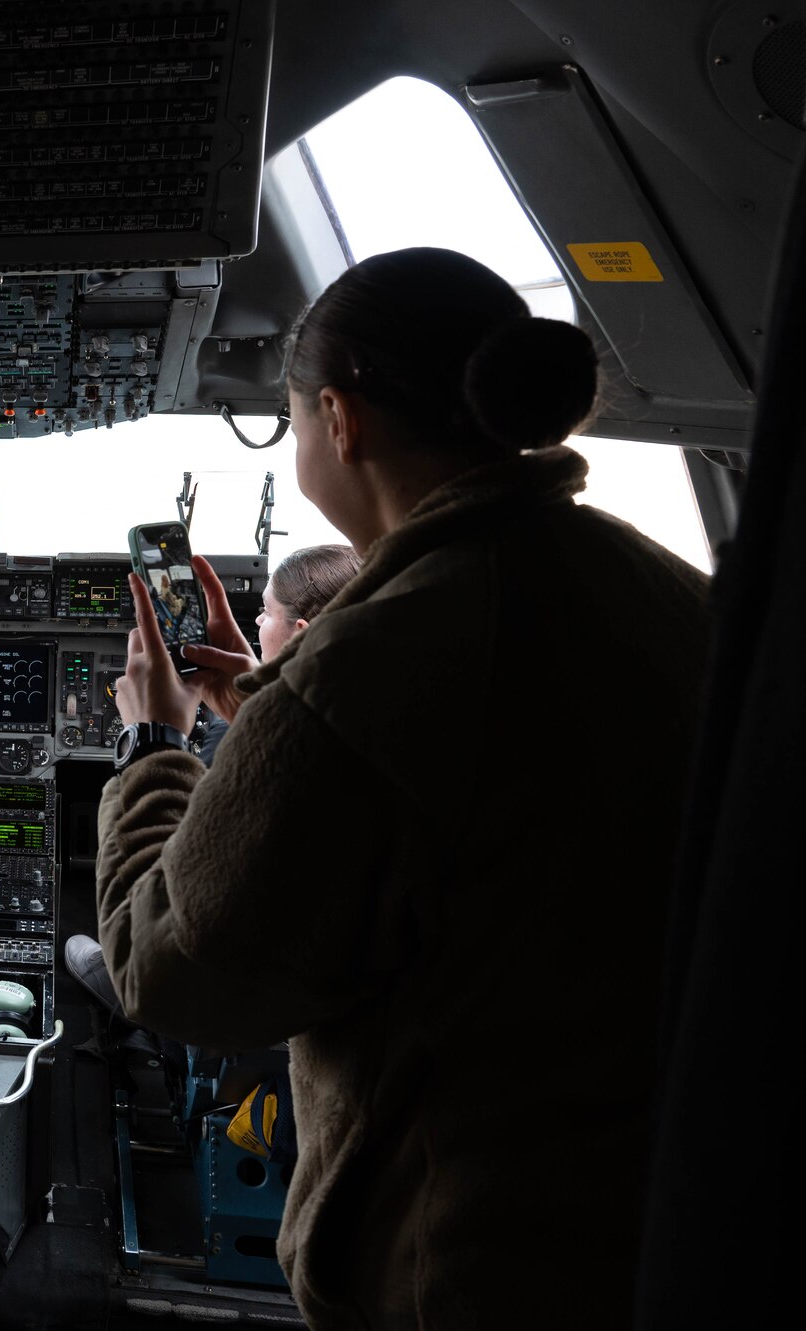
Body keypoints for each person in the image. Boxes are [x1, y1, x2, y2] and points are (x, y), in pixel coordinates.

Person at [95, 247, 709, 1329]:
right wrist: (268, 705)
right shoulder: (671, 593)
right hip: (668, 1218)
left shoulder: (361, 671)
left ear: (339, 419)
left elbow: (168, 972)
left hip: (464, 1263)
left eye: (291, 421)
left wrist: (152, 738)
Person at [64, 542, 360, 1016]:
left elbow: (154, 974)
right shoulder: (370, 734)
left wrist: (151, 743)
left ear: (301, 635)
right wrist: (258, 709)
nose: (255, 626)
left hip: (230, 1004)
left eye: (263, 614)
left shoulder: (247, 761)